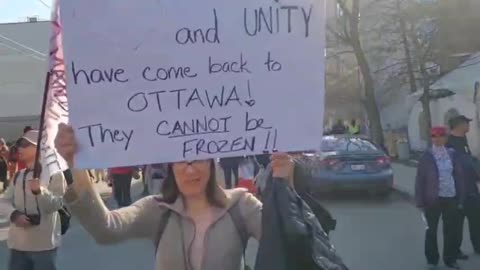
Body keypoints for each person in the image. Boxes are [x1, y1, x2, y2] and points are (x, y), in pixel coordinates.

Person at [54, 124, 294, 270]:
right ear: (171, 167)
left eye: (198, 159)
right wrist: (75, 164)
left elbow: (289, 241)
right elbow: (106, 230)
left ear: (211, 164)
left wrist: (286, 184)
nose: (190, 169)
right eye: (182, 161)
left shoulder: (241, 206)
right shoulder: (156, 209)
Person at [0, 130, 66, 270]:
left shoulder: (55, 175)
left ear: (39, 148)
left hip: (44, 246)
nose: (19, 148)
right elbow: (3, 201)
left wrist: (39, 191)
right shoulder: (18, 175)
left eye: (25, 144)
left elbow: (55, 204)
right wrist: (14, 215)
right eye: (19, 144)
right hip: (18, 246)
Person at [415, 127, 465, 269]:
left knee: (451, 230)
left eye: (441, 136)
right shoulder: (426, 156)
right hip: (432, 199)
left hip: (450, 197)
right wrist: (419, 201)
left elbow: (459, 176)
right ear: (431, 138)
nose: (437, 139)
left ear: (446, 138)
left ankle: (450, 259)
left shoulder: (452, 154)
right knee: (431, 230)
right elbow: (420, 180)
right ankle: (432, 260)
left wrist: (461, 197)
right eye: (434, 136)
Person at [447, 115, 480, 257]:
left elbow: (468, 160)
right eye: (467, 123)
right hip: (457, 191)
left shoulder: (463, 140)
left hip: (471, 189)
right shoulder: (449, 143)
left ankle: (478, 246)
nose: (469, 125)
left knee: (476, 220)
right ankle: (455, 250)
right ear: (460, 125)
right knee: (457, 224)